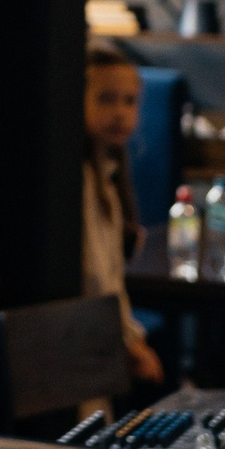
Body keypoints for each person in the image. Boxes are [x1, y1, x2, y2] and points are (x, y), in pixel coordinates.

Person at [81, 39, 165, 394]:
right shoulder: (84, 181)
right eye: (106, 99)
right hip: (85, 343)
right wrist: (131, 342)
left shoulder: (109, 175)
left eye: (129, 101)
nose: (120, 113)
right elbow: (97, 278)